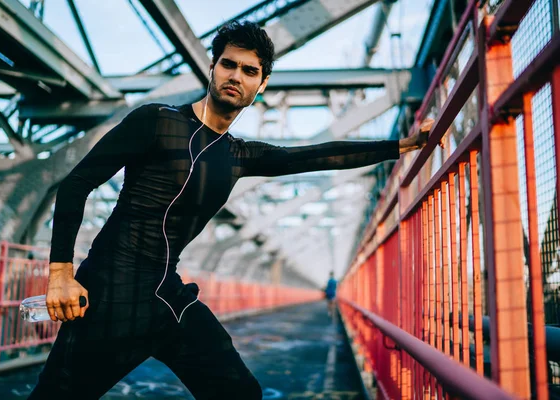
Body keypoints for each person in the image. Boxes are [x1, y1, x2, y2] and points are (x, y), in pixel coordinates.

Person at [28, 20, 433, 400]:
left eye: (249, 71)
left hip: (167, 297)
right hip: (108, 293)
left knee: (240, 393)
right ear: (213, 67)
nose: (236, 76)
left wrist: (399, 146)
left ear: (262, 83)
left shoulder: (238, 155)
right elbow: (76, 183)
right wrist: (60, 274)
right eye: (229, 64)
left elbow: (317, 156)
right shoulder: (155, 121)